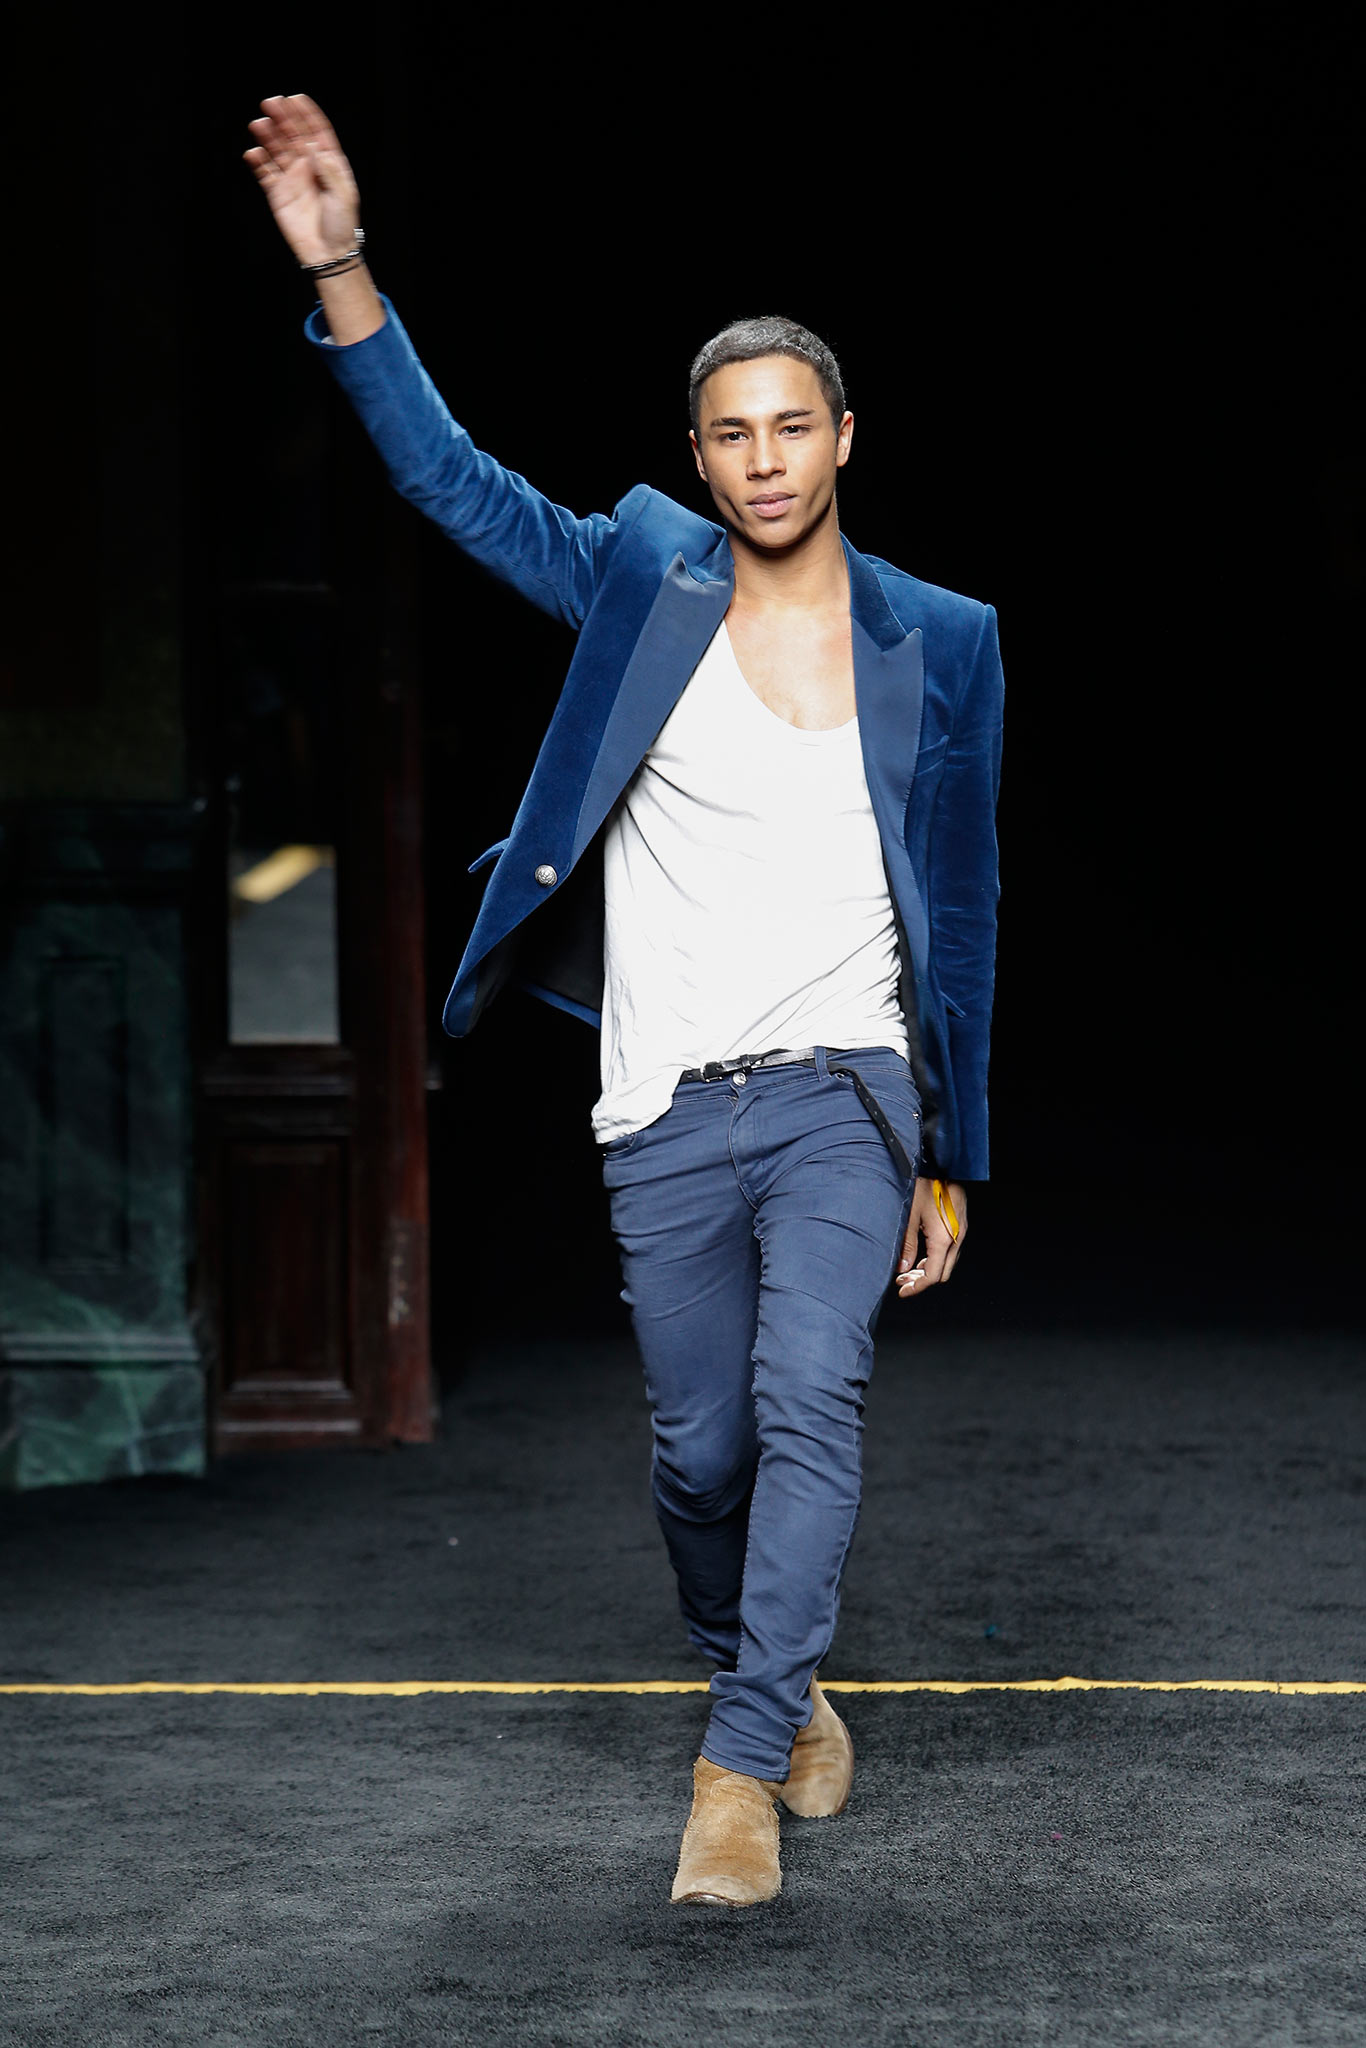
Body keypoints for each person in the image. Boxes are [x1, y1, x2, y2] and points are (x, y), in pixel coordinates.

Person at [245, 93, 1005, 1909]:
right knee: (701, 1453)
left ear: (843, 438)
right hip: (664, 1097)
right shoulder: (640, 575)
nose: (764, 461)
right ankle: (766, 1673)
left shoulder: (942, 639)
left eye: (792, 426)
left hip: (842, 1085)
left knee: (809, 1394)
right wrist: (342, 267)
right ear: (697, 454)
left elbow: (962, 905)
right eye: (731, 433)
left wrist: (950, 1150)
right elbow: (450, 482)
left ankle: (734, 1767)